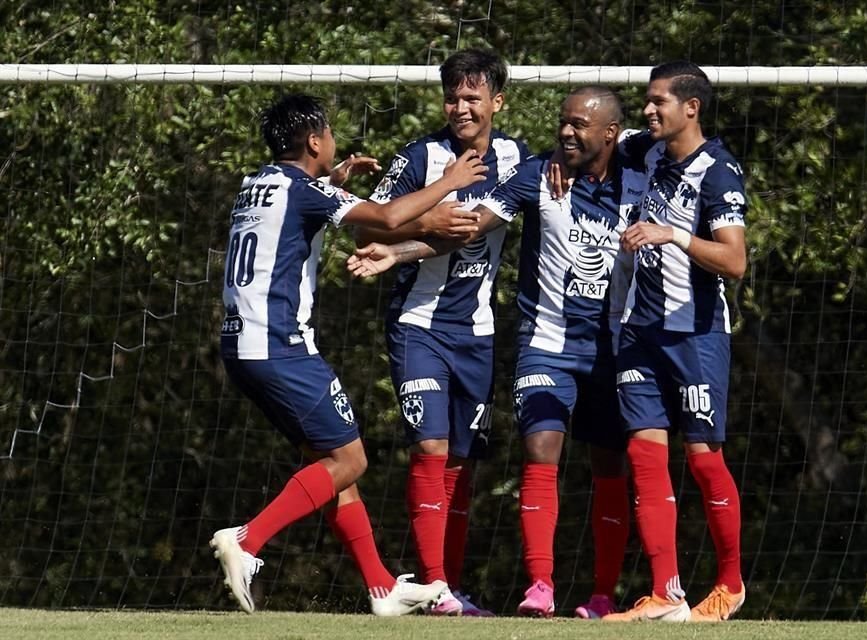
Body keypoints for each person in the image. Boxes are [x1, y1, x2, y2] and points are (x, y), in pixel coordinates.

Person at [348, 86, 638, 620]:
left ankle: (603, 596)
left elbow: (668, 140)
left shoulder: (640, 171)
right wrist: (397, 250)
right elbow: (468, 228)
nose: (567, 132)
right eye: (563, 123)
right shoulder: (534, 174)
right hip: (545, 343)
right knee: (538, 449)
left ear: (610, 134)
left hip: (613, 349)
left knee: (609, 464)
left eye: (580, 125)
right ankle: (540, 586)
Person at [210, 93, 486, 616]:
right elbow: (384, 216)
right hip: (280, 346)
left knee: (329, 464)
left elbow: (296, 211)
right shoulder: (304, 190)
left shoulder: (256, 184)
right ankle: (247, 540)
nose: (334, 139)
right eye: (329, 132)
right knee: (349, 458)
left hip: (241, 345)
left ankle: (382, 587)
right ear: (315, 141)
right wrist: (449, 182)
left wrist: (332, 181)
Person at [353, 48, 529, 617]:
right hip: (419, 327)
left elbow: (470, 230)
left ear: (496, 102)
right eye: (452, 96)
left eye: (472, 97)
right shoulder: (418, 157)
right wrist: (416, 222)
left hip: (477, 332)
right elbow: (369, 225)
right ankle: (434, 588)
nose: (460, 107)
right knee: (429, 448)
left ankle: (448, 588)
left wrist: (405, 245)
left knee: (463, 463)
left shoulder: (516, 158)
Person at [600, 61, 747, 623]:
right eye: (647, 100)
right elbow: (595, 139)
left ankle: (730, 585)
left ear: (692, 107)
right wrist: (562, 166)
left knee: (704, 459)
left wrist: (672, 234)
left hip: (697, 333)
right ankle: (665, 593)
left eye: (659, 101)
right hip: (640, 328)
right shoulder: (648, 149)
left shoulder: (719, 173)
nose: (647, 110)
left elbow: (734, 260)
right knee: (644, 452)